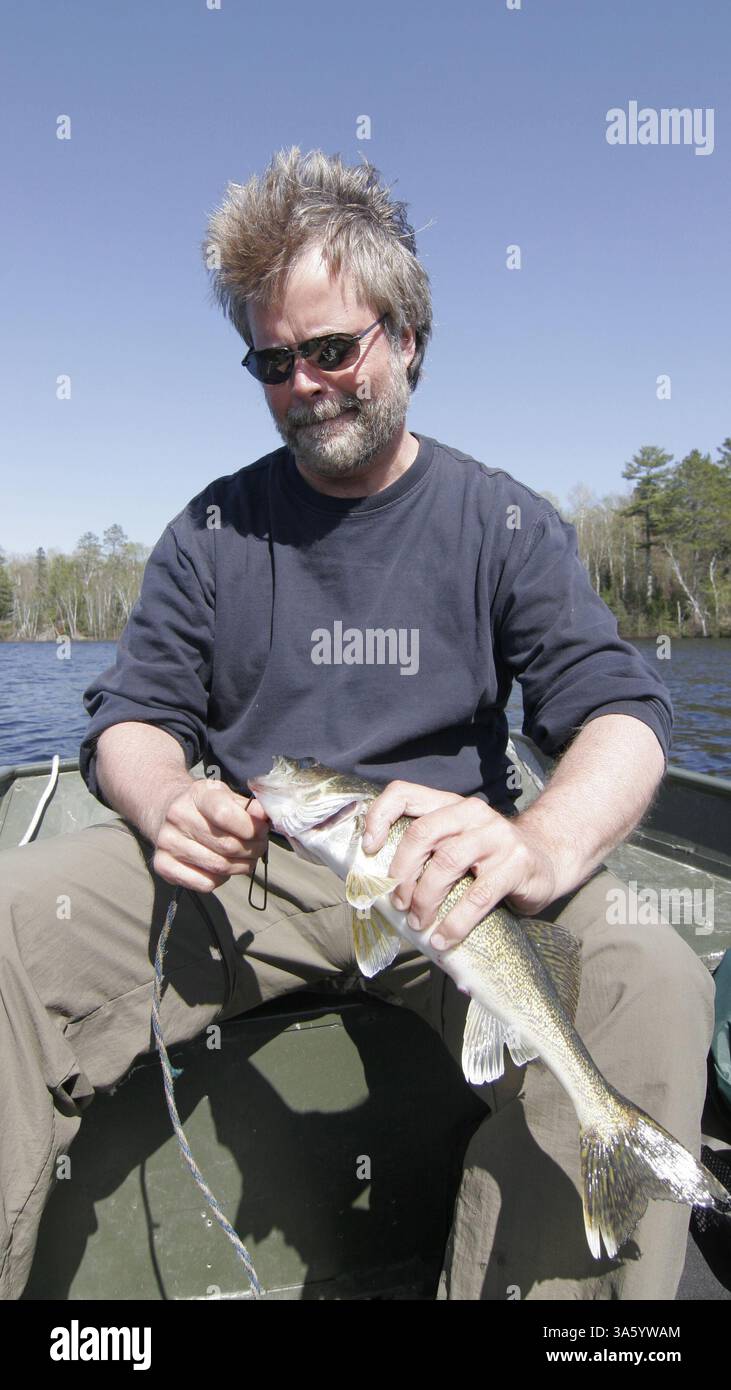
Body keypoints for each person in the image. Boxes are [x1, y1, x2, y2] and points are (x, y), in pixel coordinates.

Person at [0, 147, 714, 1301]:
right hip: (252, 874)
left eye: (332, 349)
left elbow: (621, 711)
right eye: (272, 361)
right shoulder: (211, 531)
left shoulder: (500, 522)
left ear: (407, 338)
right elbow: (133, 716)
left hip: (460, 883)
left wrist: (536, 845)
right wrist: (162, 796)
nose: (306, 384)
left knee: (650, 983)